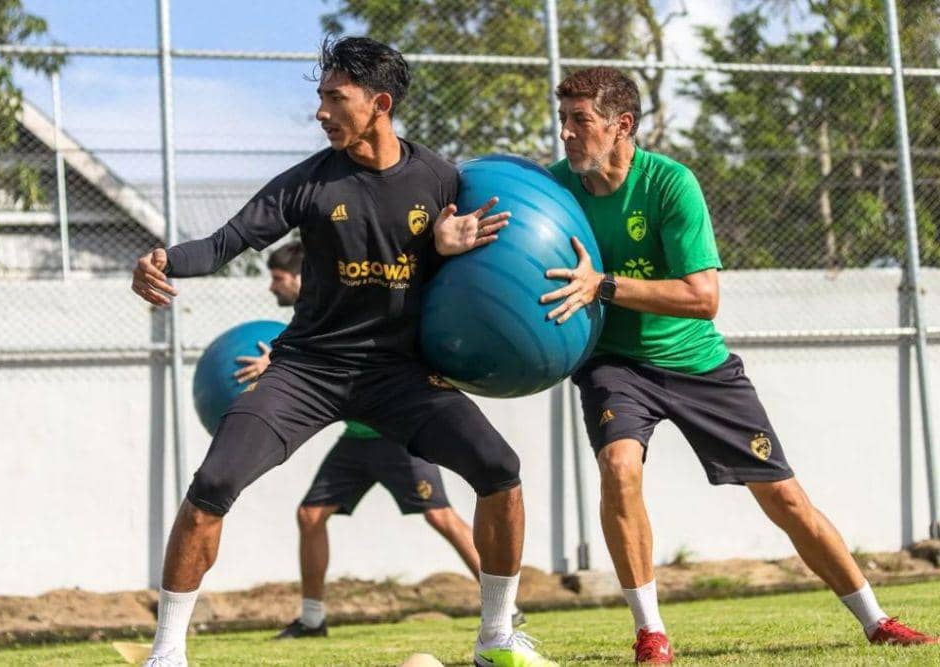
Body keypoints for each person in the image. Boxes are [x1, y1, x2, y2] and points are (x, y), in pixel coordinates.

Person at [130, 37, 554, 667]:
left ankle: (496, 638)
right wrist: (161, 261)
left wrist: (443, 247)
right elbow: (224, 243)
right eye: (321, 97)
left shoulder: (440, 179)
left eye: (336, 98)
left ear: (379, 104)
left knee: (500, 470)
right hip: (307, 370)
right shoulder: (309, 181)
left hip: (399, 375)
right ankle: (167, 653)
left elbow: (469, 277)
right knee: (213, 484)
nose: (321, 111)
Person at [539, 66, 937, 664]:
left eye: (580, 120)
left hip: (697, 363)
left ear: (621, 125)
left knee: (785, 498)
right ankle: (651, 633)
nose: (566, 132)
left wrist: (605, 285)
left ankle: (876, 620)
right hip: (614, 364)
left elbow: (703, 297)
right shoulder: (555, 187)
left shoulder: (669, 184)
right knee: (619, 468)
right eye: (563, 119)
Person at [233, 242, 525, 638]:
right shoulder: (312, 314)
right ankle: (313, 619)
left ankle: (507, 607)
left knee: (439, 515)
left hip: (397, 435)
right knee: (310, 515)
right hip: (356, 439)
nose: (272, 286)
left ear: (302, 277)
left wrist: (273, 361)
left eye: (278, 278)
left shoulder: (348, 298)